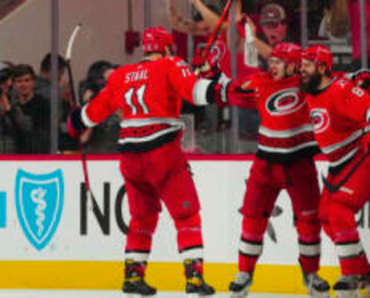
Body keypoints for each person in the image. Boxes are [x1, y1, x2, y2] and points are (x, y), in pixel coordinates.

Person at [67, 26, 248, 297]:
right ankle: (194, 278)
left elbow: (91, 115)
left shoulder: (121, 75)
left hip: (129, 157)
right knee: (186, 214)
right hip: (162, 151)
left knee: (142, 216)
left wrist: (74, 121)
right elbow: (197, 94)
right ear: (166, 48)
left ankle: (133, 274)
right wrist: (213, 81)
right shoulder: (171, 64)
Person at [222, 43, 329, 298]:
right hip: (265, 165)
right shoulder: (260, 83)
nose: (273, 66)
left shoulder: (308, 85)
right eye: (272, 61)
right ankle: (245, 272)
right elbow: (230, 92)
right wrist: (211, 75)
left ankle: (311, 274)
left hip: (300, 164)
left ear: (293, 65)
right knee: (253, 217)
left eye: (279, 62)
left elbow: (334, 84)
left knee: (309, 221)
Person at [300, 44, 370, 297]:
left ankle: (350, 275)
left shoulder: (340, 90)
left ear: (321, 67)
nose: (301, 70)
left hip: (366, 154)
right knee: (326, 217)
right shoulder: (315, 87)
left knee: (339, 210)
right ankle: (365, 273)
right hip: (340, 162)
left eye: (306, 65)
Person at [9, 64, 51, 153]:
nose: (23, 84)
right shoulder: (10, 105)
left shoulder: (43, 104)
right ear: (13, 84)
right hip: (14, 156)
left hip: (36, 156)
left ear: (33, 82)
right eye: (19, 81)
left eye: (27, 80)